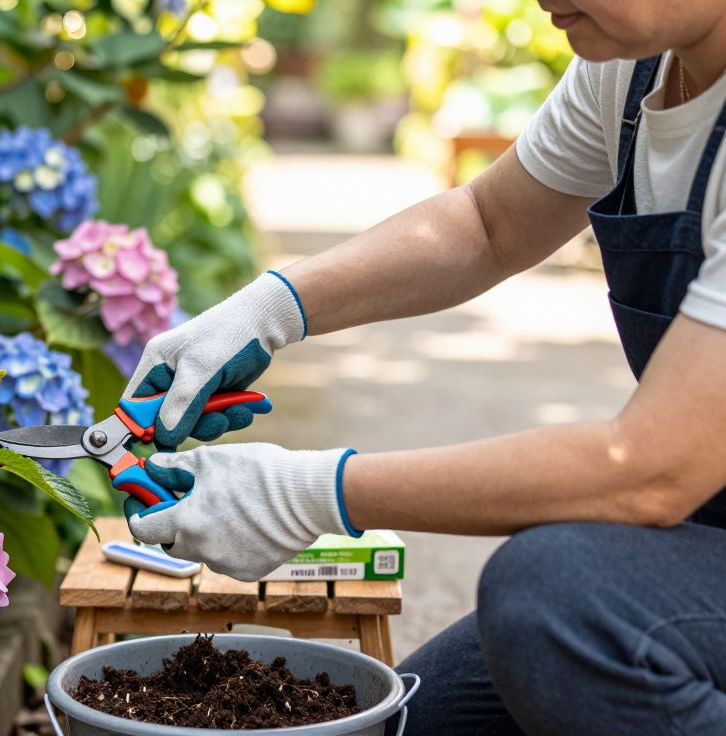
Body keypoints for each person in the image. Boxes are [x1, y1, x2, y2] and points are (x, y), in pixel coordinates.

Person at [121, 2, 726, 733]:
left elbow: (647, 470)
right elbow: (488, 224)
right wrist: (268, 309)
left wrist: (308, 493)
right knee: (408, 718)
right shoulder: (632, 71)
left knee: (554, 599)